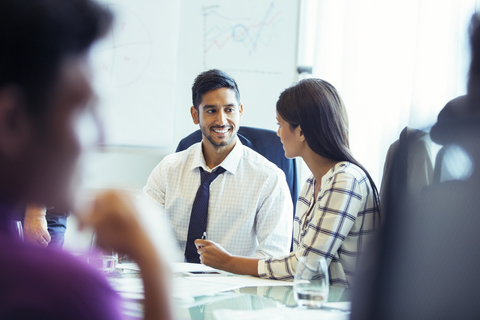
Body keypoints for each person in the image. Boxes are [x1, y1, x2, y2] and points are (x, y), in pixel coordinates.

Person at [0, 1, 172, 319]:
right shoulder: (65, 289)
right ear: (12, 122)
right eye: (82, 110)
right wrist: (154, 263)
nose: (102, 138)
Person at [196, 78, 381, 288]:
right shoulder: (312, 183)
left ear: (301, 132)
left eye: (280, 124)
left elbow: (306, 266)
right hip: (315, 303)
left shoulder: (345, 180)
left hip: (343, 308)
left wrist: (229, 262)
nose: (277, 133)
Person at [144, 69, 293, 263]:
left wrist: (229, 265)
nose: (222, 120)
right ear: (195, 115)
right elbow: (143, 231)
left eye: (229, 110)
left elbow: (274, 258)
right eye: (211, 111)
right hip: (173, 285)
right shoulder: (168, 169)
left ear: (240, 112)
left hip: (236, 287)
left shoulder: (269, 178)